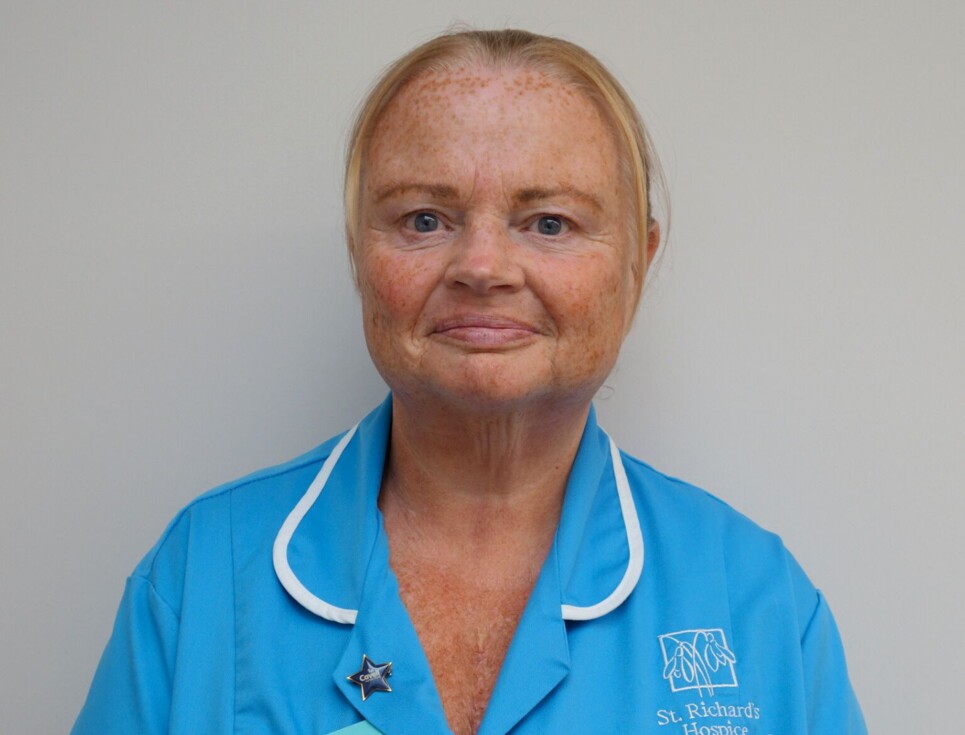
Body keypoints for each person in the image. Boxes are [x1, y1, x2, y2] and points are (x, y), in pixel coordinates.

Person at [72, 29, 866, 735]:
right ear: (359, 250)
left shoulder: (755, 603)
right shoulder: (202, 577)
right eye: (424, 218)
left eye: (548, 222)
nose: (481, 267)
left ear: (639, 261)